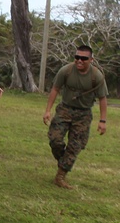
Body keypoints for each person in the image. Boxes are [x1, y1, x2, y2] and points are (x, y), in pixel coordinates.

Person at [42, 44, 109, 189]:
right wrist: (48, 110)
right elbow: (55, 89)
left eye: (83, 58)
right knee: (55, 139)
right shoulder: (66, 71)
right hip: (65, 109)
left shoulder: (96, 76)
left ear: (91, 59)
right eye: (77, 57)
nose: (79, 60)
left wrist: (102, 121)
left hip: (83, 114)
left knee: (75, 146)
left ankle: (60, 176)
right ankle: (64, 161)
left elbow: (103, 99)